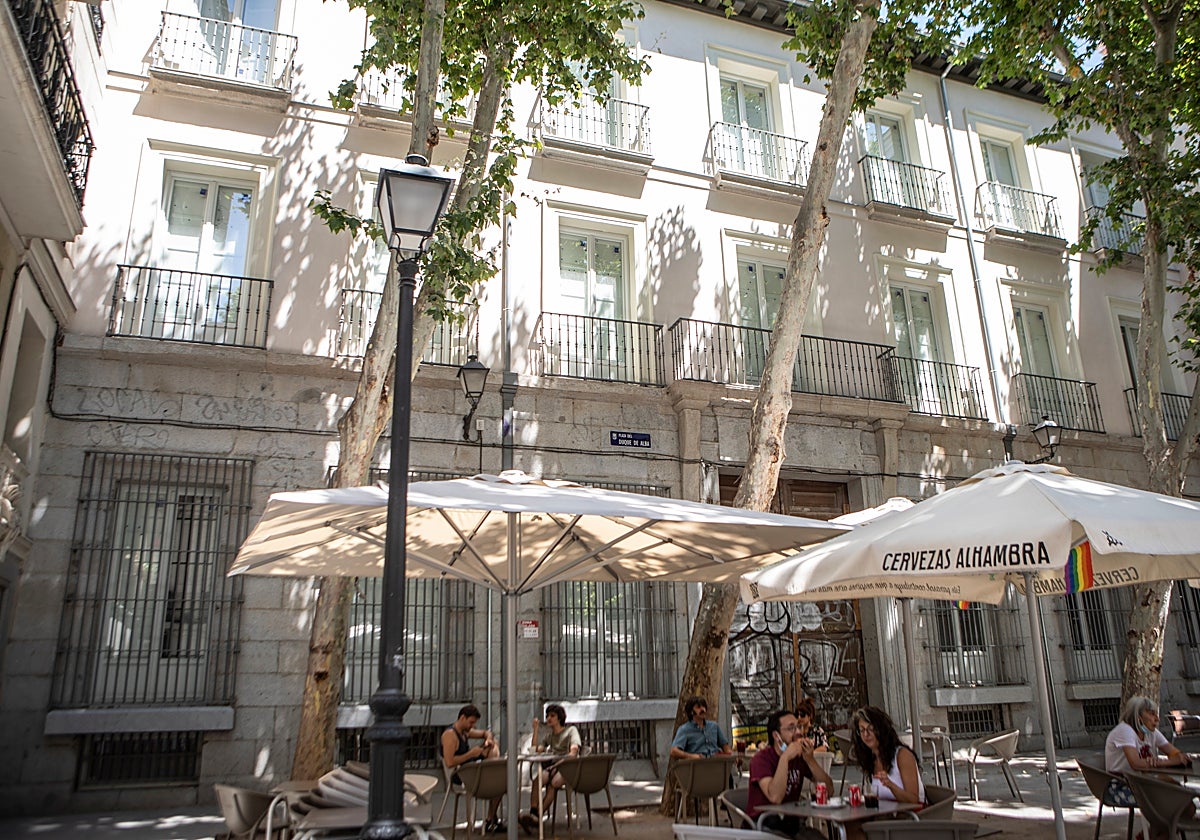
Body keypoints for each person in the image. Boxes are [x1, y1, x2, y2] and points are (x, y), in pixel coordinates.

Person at [747, 709, 831, 839]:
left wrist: (810, 759)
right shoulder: (761, 760)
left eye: (799, 726)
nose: (798, 732)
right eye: (791, 728)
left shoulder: (800, 758)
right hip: (763, 824)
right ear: (776, 736)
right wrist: (785, 758)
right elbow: (775, 797)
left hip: (792, 824)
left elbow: (829, 790)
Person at [845, 706, 924, 840]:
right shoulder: (872, 759)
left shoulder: (902, 755)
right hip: (886, 813)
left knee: (863, 828)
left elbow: (913, 800)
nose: (866, 735)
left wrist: (890, 785)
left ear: (881, 729)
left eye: (870, 729)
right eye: (862, 730)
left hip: (909, 815)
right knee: (849, 823)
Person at [1105, 695, 1190, 808]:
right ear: (1138, 716)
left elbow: (1176, 754)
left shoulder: (1151, 732)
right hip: (1121, 786)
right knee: (1170, 797)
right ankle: (1162, 825)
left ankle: (1175, 824)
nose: (1157, 719)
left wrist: (1177, 757)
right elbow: (1136, 763)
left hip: (1145, 782)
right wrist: (1165, 762)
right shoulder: (1125, 731)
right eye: (1152, 714)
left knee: (1184, 795)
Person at [519, 703, 581, 835]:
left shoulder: (571, 731)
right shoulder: (549, 736)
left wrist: (561, 762)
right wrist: (535, 730)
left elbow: (574, 752)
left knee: (554, 783)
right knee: (537, 780)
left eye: (552, 716)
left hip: (567, 767)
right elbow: (534, 750)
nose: (548, 718)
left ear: (559, 718)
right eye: (547, 716)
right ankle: (534, 813)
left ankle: (536, 818)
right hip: (553, 767)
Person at [442, 703, 505, 834]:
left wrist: (488, 740)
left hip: (472, 769)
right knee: (500, 783)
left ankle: (490, 819)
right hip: (463, 775)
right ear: (462, 718)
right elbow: (449, 762)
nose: (472, 726)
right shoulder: (450, 735)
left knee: (494, 746)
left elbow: (486, 733)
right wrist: (471, 754)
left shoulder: (464, 732)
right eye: (471, 722)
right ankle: (490, 819)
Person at [670, 695, 732, 760]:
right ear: (691, 712)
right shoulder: (684, 729)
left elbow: (725, 746)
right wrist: (692, 756)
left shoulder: (714, 726)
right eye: (698, 707)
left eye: (704, 707)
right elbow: (674, 751)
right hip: (697, 765)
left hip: (716, 762)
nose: (703, 709)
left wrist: (732, 756)